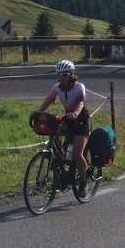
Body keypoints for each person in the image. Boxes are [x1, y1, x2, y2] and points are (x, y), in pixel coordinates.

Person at [37, 59, 92, 197]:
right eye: (59, 75)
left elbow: (80, 103)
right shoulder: (57, 87)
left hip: (82, 121)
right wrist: (37, 112)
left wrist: (75, 113)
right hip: (68, 120)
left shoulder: (79, 87)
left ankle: (84, 183)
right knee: (55, 134)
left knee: (77, 154)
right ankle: (61, 160)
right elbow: (49, 100)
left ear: (71, 74)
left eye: (65, 75)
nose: (61, 77)